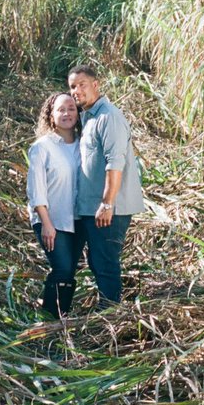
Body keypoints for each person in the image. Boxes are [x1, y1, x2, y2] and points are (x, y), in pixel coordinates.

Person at [67, 64, 144, 306]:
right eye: (72, 87)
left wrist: (107, 202)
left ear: (96, 85)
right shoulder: (88, 117)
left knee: (105, 261)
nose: (76, 91)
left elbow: (115, 162)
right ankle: (107, 306)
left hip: (110, 208)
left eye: (82, 85)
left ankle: (110, 311)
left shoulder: (108, 117)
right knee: (98, 261)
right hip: (94, 208)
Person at [26, 92, 84, 317]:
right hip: (51, 220)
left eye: (71, 108)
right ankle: (50, 318)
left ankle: (61, 315)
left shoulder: (83, 145)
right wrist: (47, 224)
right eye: (61, 109)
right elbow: (36, 189)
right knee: (63, 269)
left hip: (78, 220)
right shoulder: (42, 147)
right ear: (51, 115)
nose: (67, 113)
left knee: (69, 270)